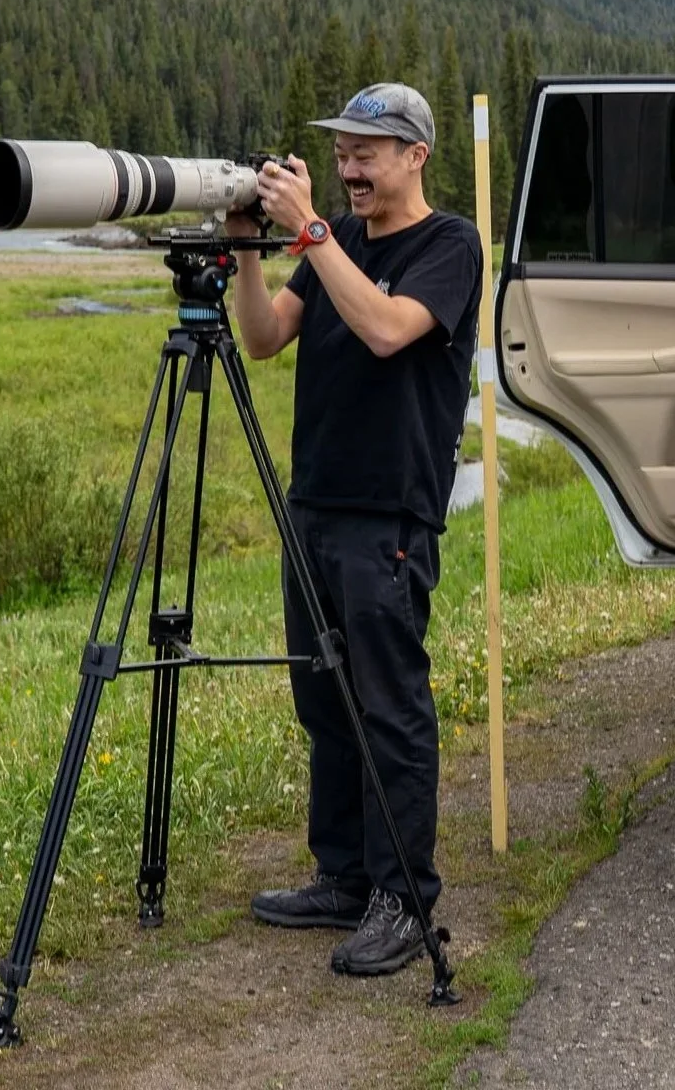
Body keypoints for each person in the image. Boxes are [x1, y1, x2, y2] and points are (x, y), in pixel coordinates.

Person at [226, 83, 482, 976]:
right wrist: (248, 255)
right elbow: (263, 339)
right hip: (315, 504)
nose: (347, 167)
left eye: (366, 151)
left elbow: (384, 330)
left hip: (389, 515)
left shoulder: (448, 245)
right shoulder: (327, 246)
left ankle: (403, 897)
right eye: (340, 152)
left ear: (416, 155)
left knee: (389, 707)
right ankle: (341, 875)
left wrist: (313, 234)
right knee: (322, 700)